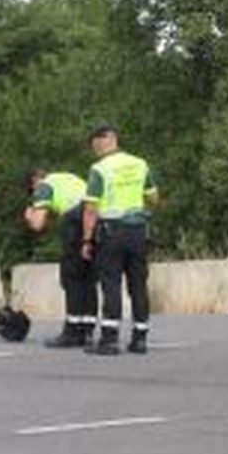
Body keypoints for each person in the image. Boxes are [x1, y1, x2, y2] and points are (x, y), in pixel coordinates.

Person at [80, 124, 160, 355]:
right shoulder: (140, 163)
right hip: (138, 231)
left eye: (94, 144)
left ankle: (109, 340)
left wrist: (86, 241)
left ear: (102, 141)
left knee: (111, 283)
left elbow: (91, 208)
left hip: (112, 232)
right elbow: (154, 197)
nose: (94, 149)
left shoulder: (100, 169)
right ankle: (140, 338)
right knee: (138, 284)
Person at [24, 168, 97, 347]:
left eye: (31, 191)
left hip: (74, 219)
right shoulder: (69, 177)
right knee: (88, 277)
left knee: (71, 277)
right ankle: (87, 330)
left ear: (34, 182)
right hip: (94, 218)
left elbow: (38, 224)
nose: (34, 195)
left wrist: (29, 216)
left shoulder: (44, 187)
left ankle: (72, 332)